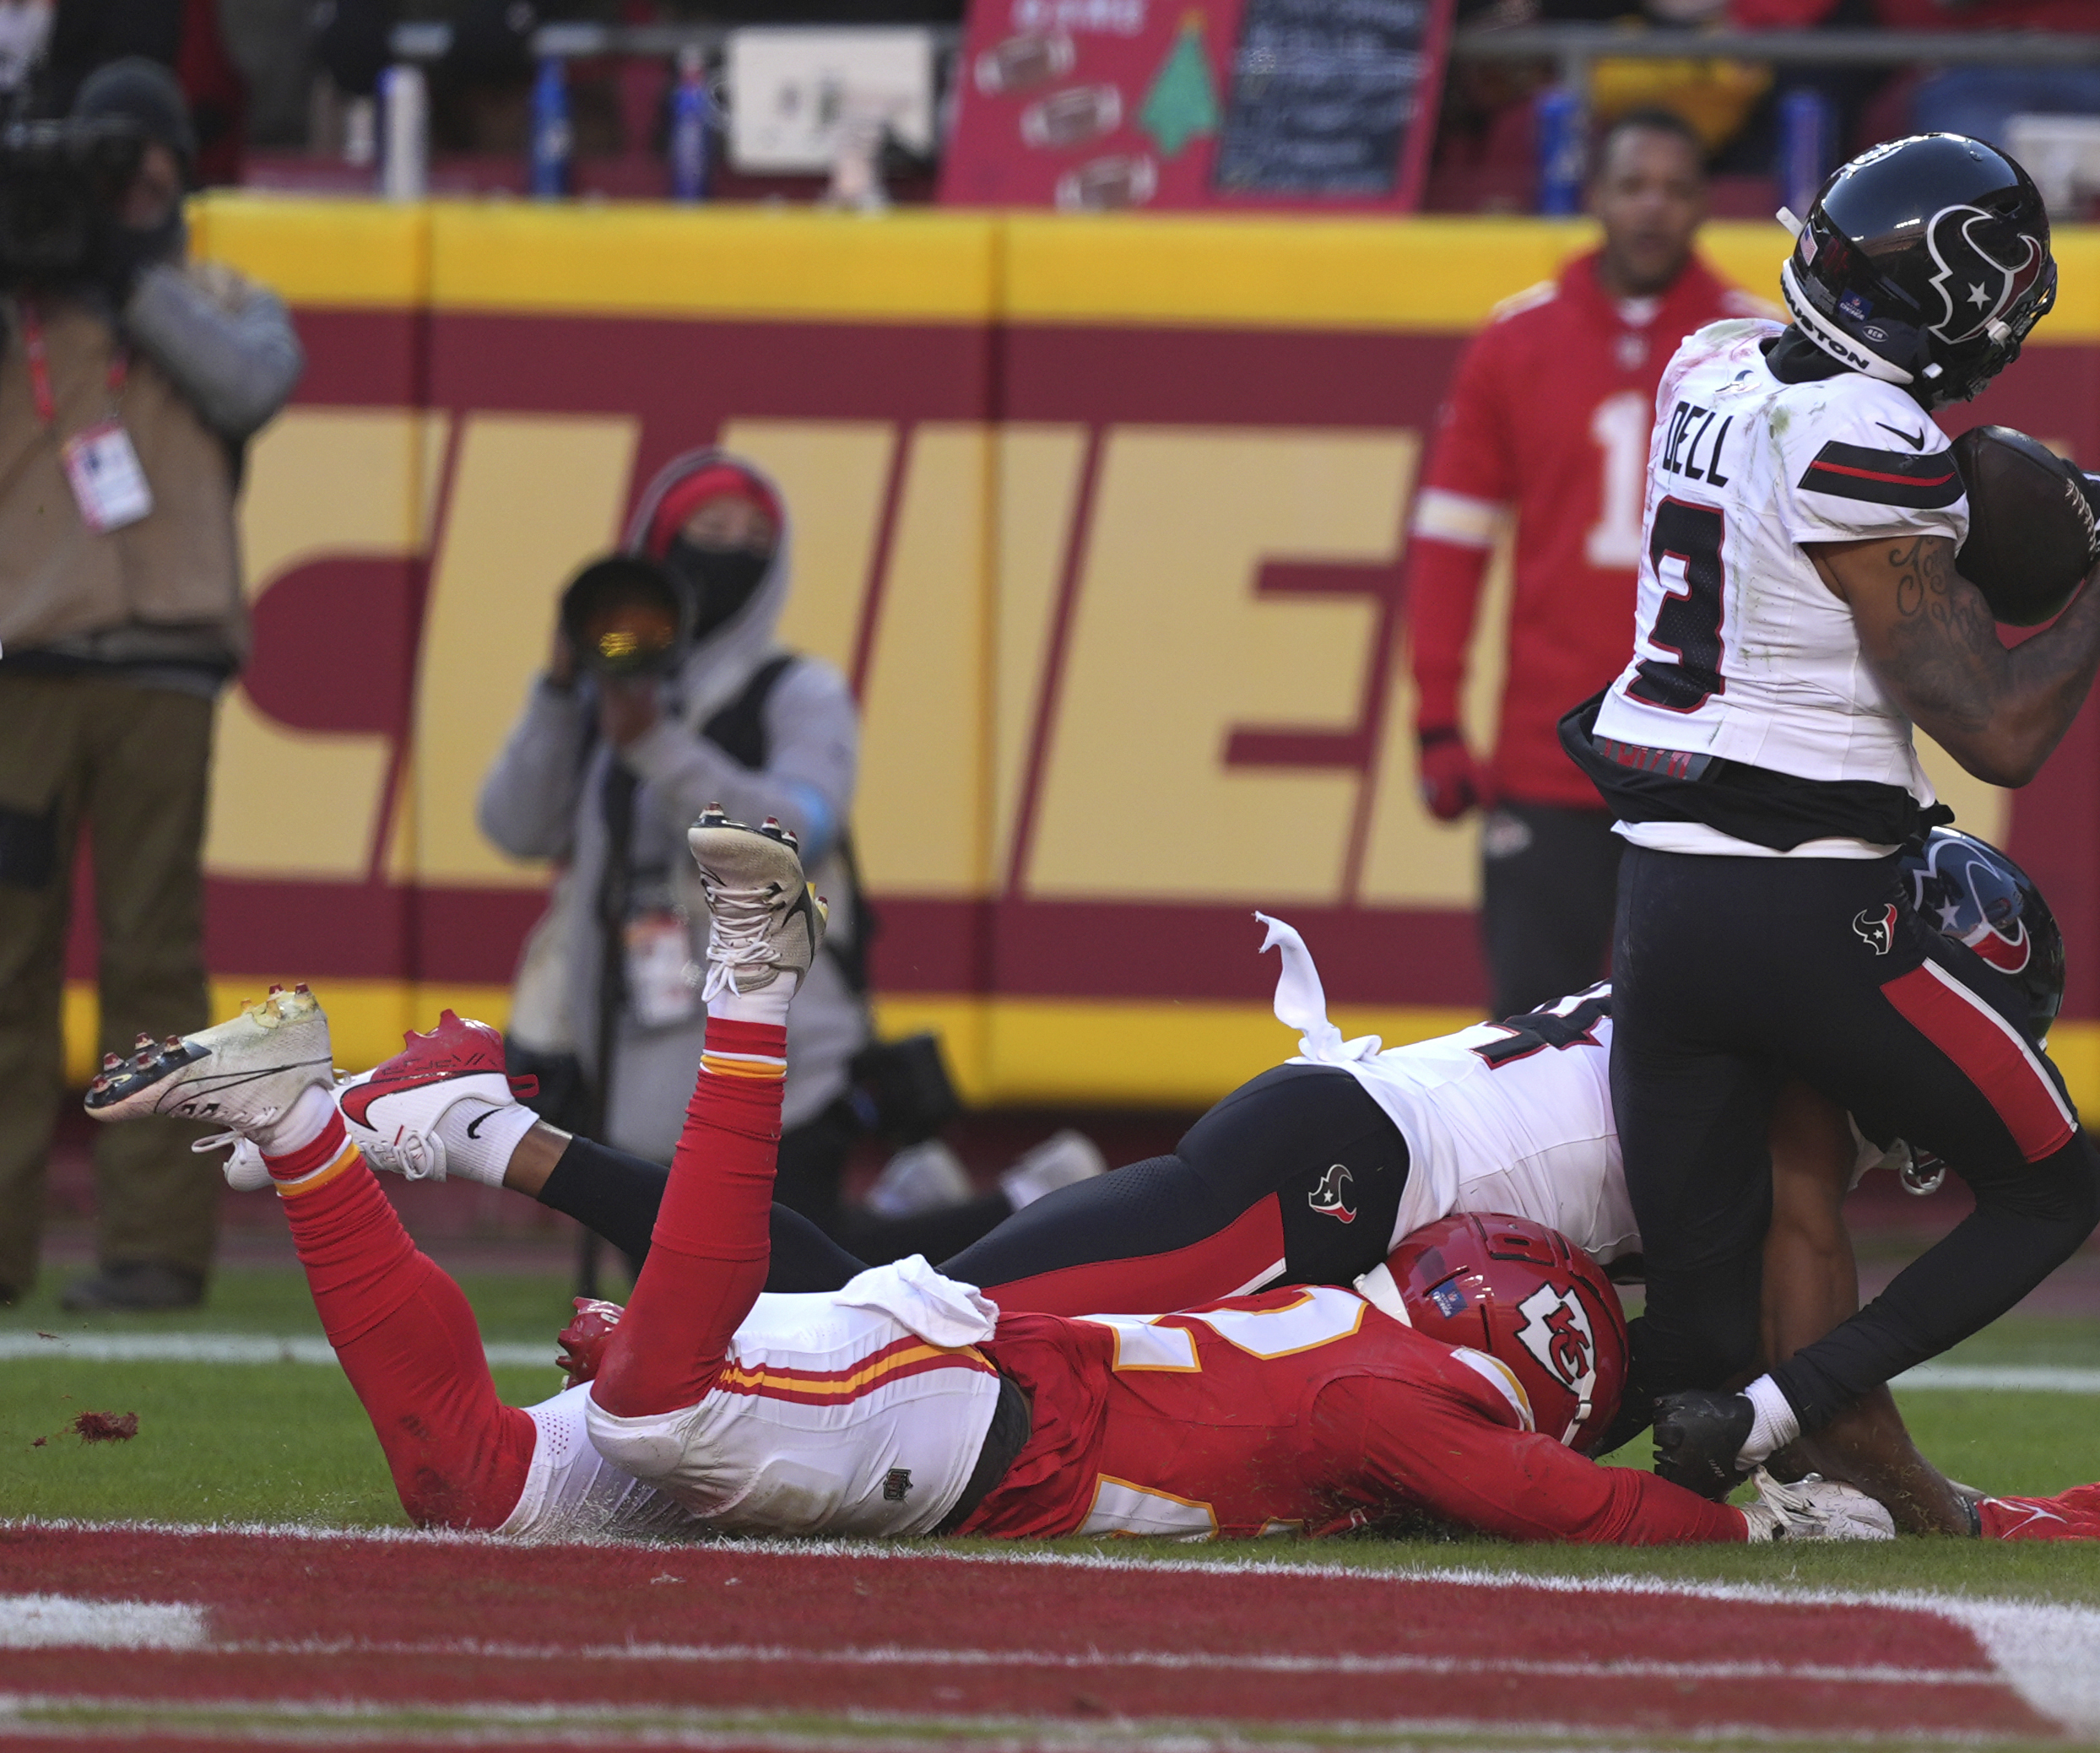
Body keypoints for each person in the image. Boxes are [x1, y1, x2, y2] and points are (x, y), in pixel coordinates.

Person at [85, 811, 1874, 1546]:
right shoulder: (1394, 1378)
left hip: (1229, 1229)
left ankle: (336, 1134)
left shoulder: (1395, 1325)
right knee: (690, 1372)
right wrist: (1753, 1510)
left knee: (478, 1484)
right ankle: (739, 996)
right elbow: (1544, 1454)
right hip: (1026, 1387)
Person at [1559, 132, 2100, 1492]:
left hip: (1656, 897)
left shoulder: (1704, 362)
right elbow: (1999, 730)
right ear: (1944, 296)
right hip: (1810, 904)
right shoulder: (1870, 438)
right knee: (2051, 1186)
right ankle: (1782, 1421)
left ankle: (1401, 1447)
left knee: (1702, 1325)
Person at [0, 57, 303, 1312]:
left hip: (164, 676)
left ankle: (154, 1251)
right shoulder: (18, 301)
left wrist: (125, 273)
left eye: (148, 159)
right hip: (22, 672)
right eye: (105, 161)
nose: (129, 181)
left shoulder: (217, 296)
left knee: (153, 968)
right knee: (4, 966)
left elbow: (252, 381)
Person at [1405, 106, 1777, 1020]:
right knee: (1531, 1039)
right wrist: (1436, 715)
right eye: (1632, 185)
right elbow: (1450, 543)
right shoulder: (1515, 340)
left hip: (1704, 758)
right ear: (1593, 196)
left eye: (1676, 188)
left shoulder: (1756, 349)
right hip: (1550, 752)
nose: (1652, 209)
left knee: (1707, 1038)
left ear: (1703, 205)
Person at [479, 452, 870, 1237]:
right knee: (685, 1305)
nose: (731, 551)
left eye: (755, 536)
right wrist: (562, 692)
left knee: (798, 1288)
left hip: (776, 1056)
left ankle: (1015, 1210)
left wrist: (656, 745)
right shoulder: (615, 688)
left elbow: (792, 834)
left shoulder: (799, 691)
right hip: (634, 1053)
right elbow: (515, 825)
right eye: (709, 528)